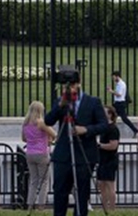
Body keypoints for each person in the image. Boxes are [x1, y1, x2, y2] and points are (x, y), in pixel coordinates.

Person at [44, 72, 108, 216]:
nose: (70, 88)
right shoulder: (61, 101)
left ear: (79, 83)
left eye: (72, 85)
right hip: (63, 155)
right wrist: (60, 105)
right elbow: (48, 121)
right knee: (60, 191)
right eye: (68, 85)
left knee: (82, 194)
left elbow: (104, 125)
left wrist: (85, 129)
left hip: (84, 154)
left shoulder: (93, 102)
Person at [22, 100, 56, 211]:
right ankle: (41, 205)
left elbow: (23, 138)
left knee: (33, 180)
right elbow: (54, 133)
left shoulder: (26, 123)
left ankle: (30, 204)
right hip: (41, 153)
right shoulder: (41, 122)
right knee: (44, 181)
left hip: (30, 153)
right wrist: (48, 138)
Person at [96, 106, 121, 212]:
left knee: (110, 184)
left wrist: (99, 145)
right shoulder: (103, 128)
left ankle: (112, 209)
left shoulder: (112, 129)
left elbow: (113, 145)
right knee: (101, 184)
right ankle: (105, 208)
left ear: (110, 114)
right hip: (102, 159)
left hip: (110, 159)